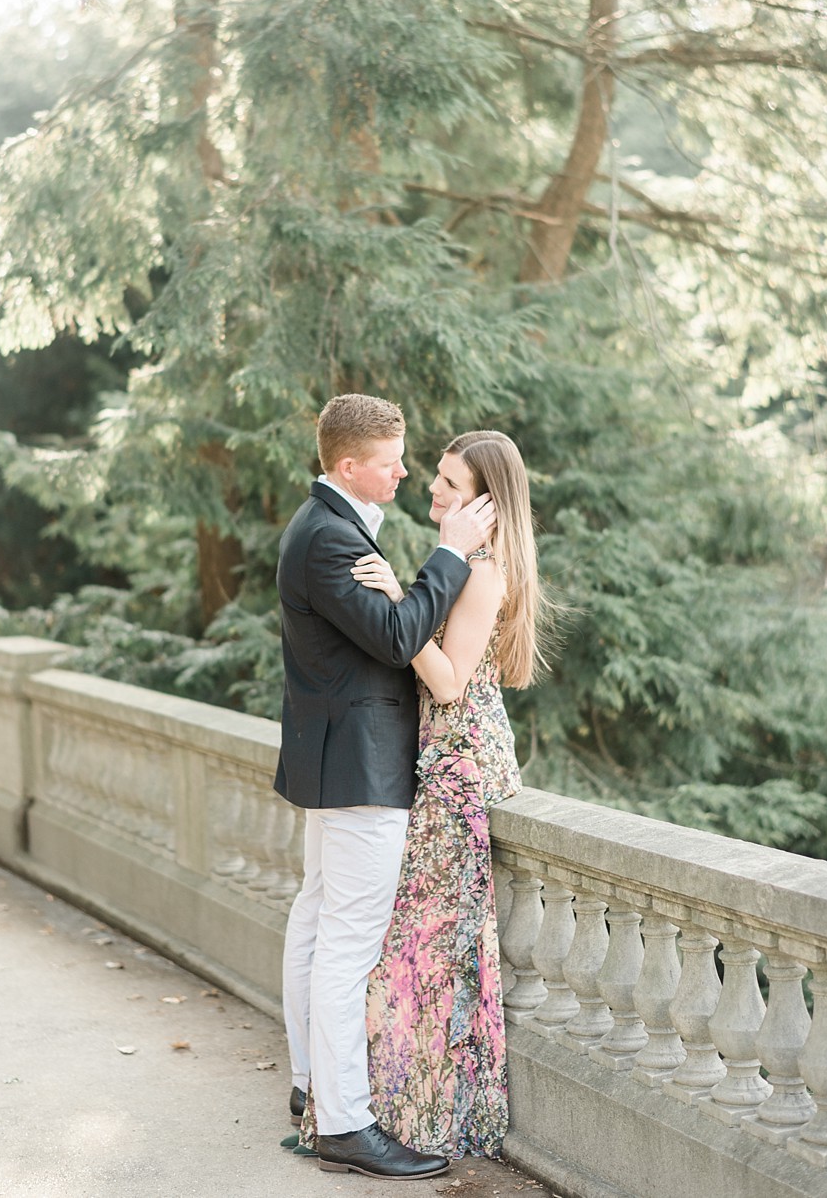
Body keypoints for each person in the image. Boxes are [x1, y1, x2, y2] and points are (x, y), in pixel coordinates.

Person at [274, 394, 497, 1181]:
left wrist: (408, 582)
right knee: (345, 945)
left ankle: (310, 1089)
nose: (405, 471)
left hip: (334, 760)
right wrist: (449, 557)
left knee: (313, 922)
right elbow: (403, 639)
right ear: (347, 467)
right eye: (392, 460)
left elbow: (387, 629)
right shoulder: (332, 540)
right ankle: (343, 1122)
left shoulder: (327, 529)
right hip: (361, 770)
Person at [346, 429, 547, 1159]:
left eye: (451, 485)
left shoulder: (484, 571)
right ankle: (389, 1110)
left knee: (426, 951)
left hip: (458, 765)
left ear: (486, 506)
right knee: (413, 948)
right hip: (439, 755)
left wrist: (400, 595)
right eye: (437, 476)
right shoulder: (467, 563)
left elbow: (451, 682)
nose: (433, 490)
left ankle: (424, 1118)